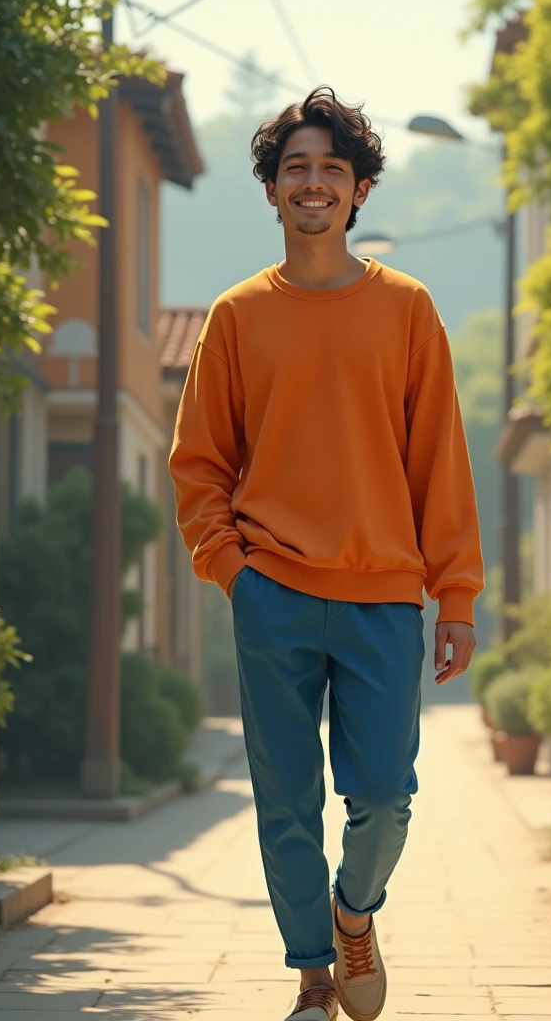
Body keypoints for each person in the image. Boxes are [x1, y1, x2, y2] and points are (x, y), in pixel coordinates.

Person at [169, 86, 484, 1021]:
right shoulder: (234, 318)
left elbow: (441, 464)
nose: (314, 184)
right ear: (271, 190)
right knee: (287, 802)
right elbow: (198, 465)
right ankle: (313, 977)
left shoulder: (407, 310)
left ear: (359, 191)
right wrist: (233, 571)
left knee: (385, 795)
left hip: (385, 593)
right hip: (271, 593)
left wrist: (455, 597)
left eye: (333, 170)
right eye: (296, 168)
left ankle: (355, 915)